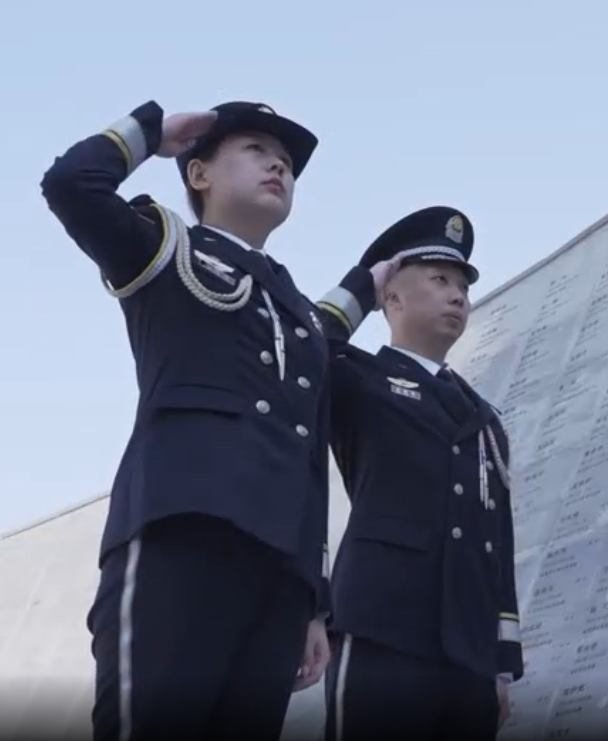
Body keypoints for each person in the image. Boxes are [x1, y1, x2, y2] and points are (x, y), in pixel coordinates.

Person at [40, 99, 335, 740]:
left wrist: (315, 602)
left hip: (278, 575)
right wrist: (151, 133)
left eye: (286, 163)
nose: (278, 168)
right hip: (180, 538)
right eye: (256, 151)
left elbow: (310, 457)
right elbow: (70, 184)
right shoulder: (167, 250)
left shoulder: (302, 317)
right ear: (199, 174)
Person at [316, 206, 524, 740]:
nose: (458, 296)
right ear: (393, 298)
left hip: (469, 654)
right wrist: (362, 286)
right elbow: (303, 350)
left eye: (463, 287)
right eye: (439, 280)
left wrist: (501, 665)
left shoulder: (486, 419)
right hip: (382, 630)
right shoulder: (359, 379)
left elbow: (496, 542)